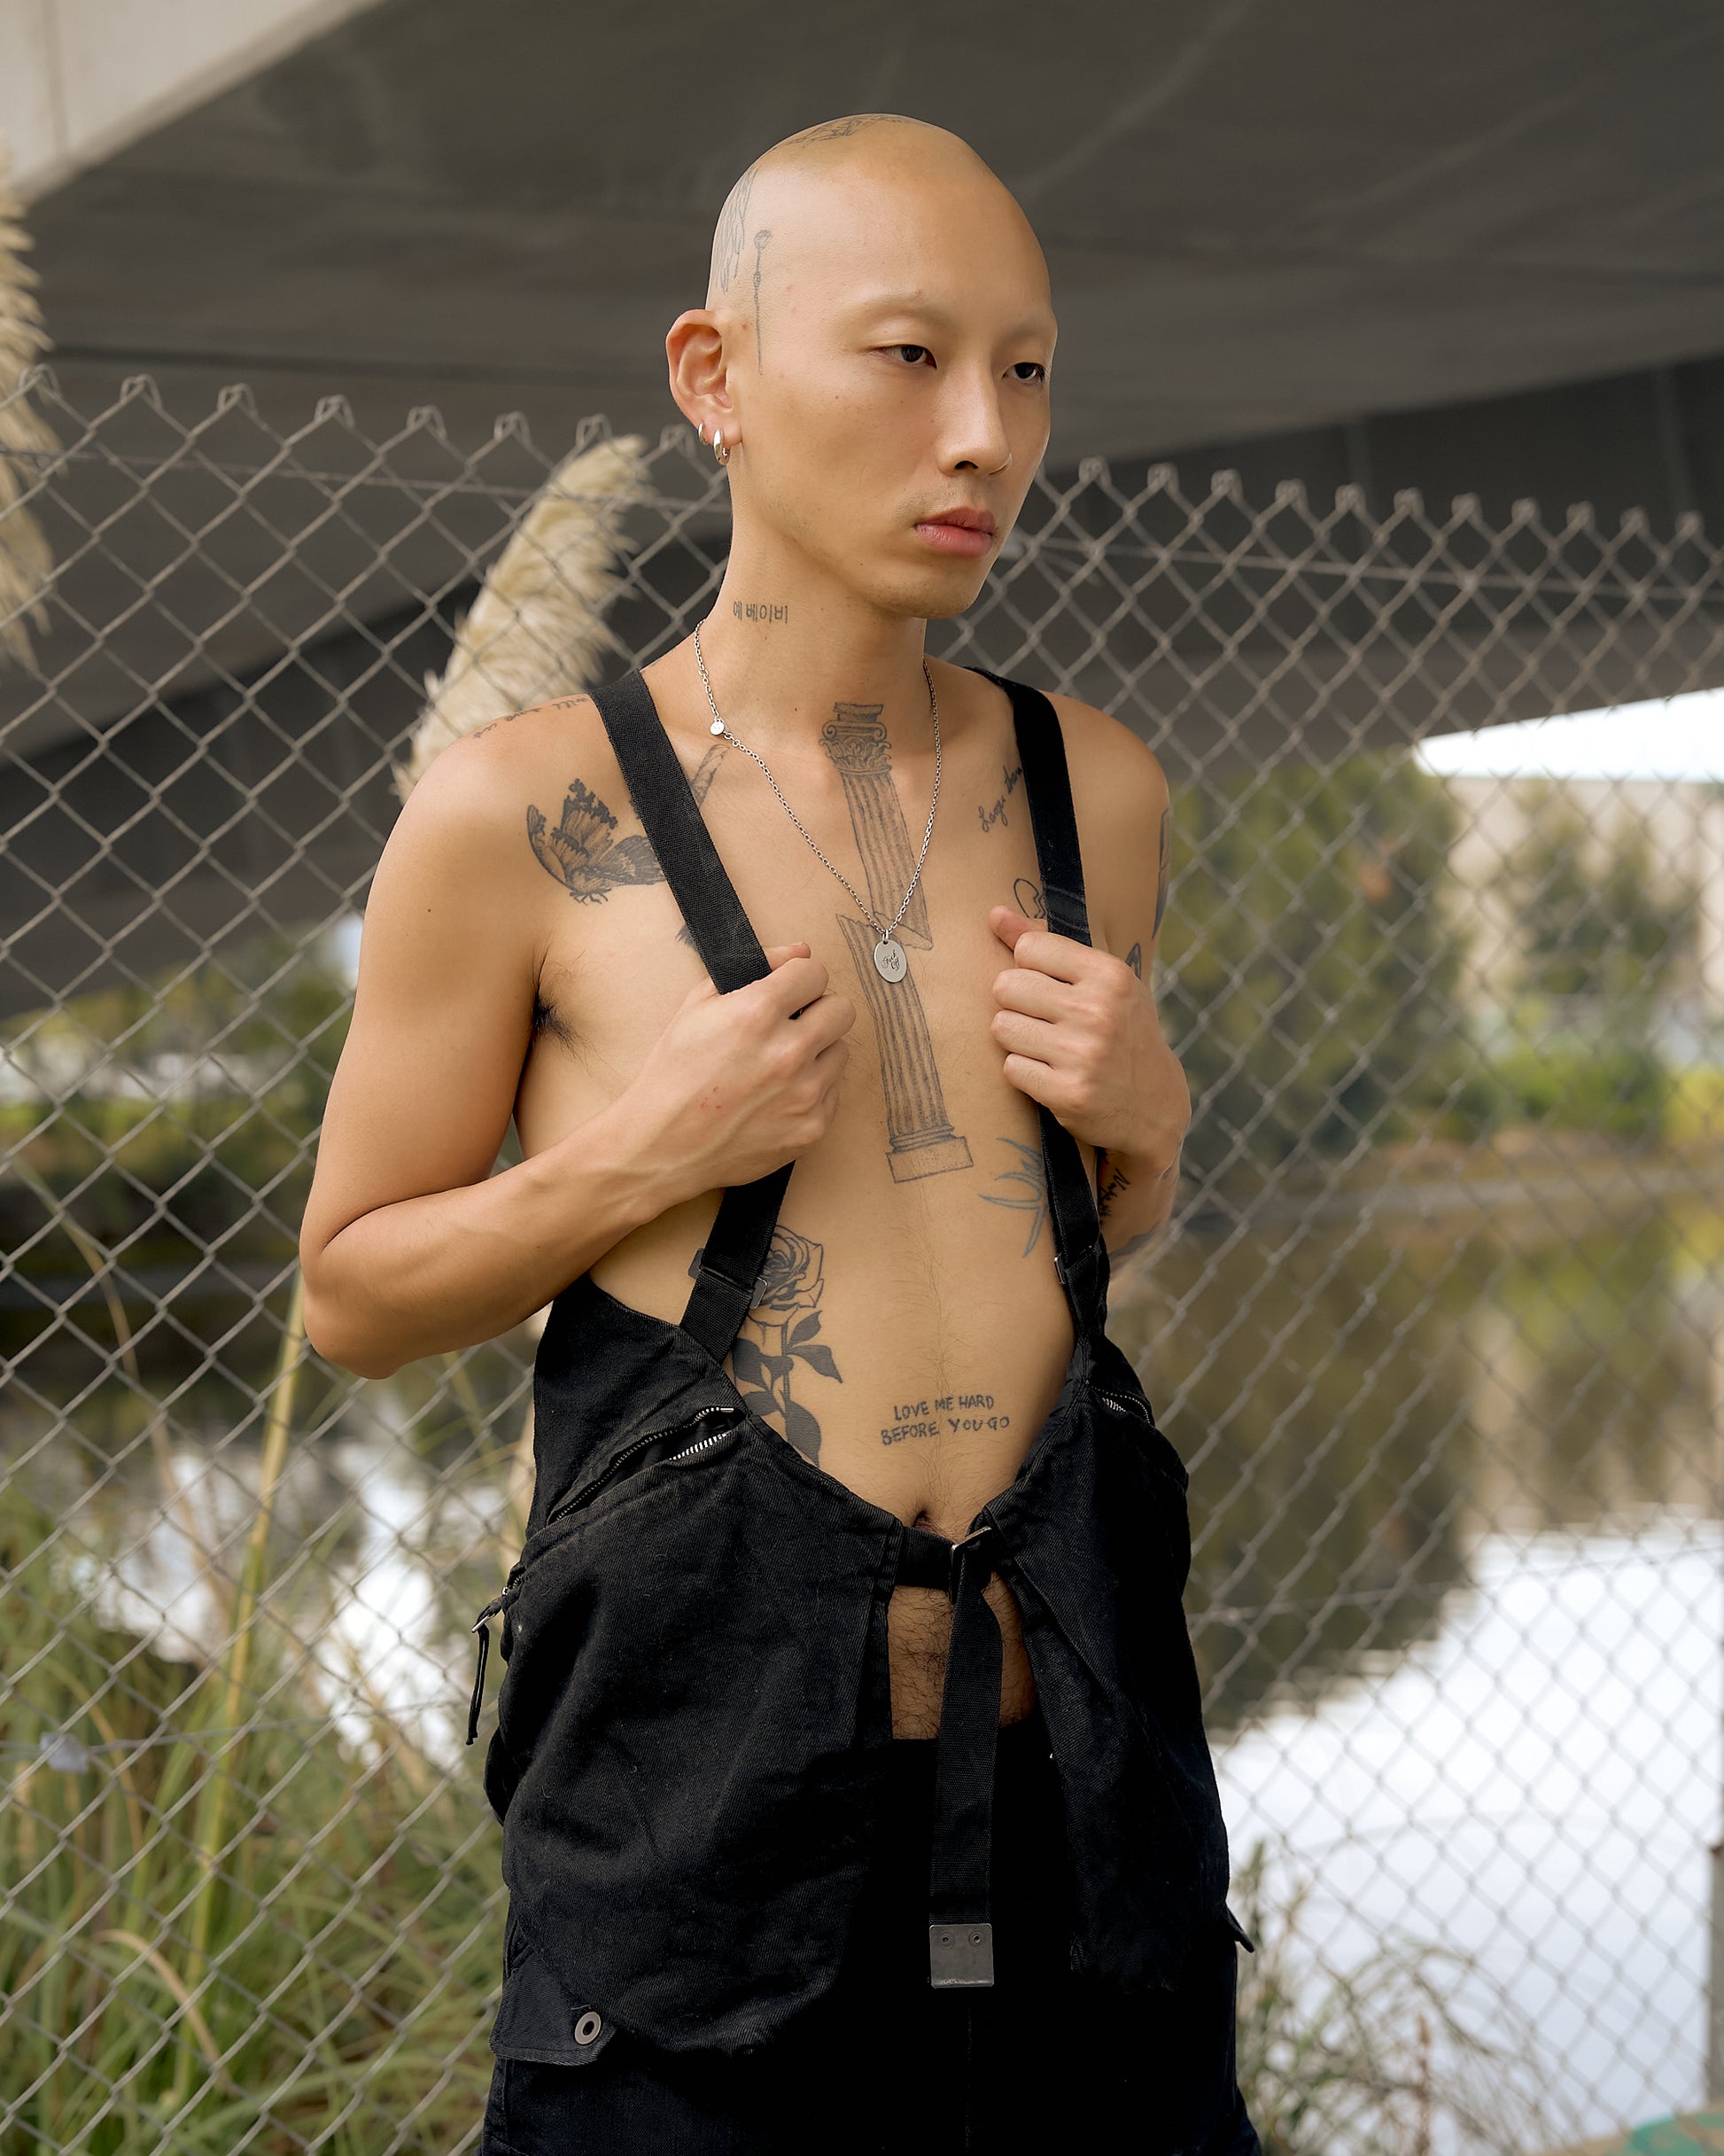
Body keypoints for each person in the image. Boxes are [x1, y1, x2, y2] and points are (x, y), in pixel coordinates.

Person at [300, 112, 1260, 2155]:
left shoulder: (1096, 788)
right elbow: (351, 1296)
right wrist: (636, 1159)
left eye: (1025, 367)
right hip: (701, 1874)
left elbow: (1045, 1244)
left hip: (1088, 1839)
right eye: (910, 355)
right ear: (712, 378)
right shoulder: (518, 814)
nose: (985, 434)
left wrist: (1155, 1126)